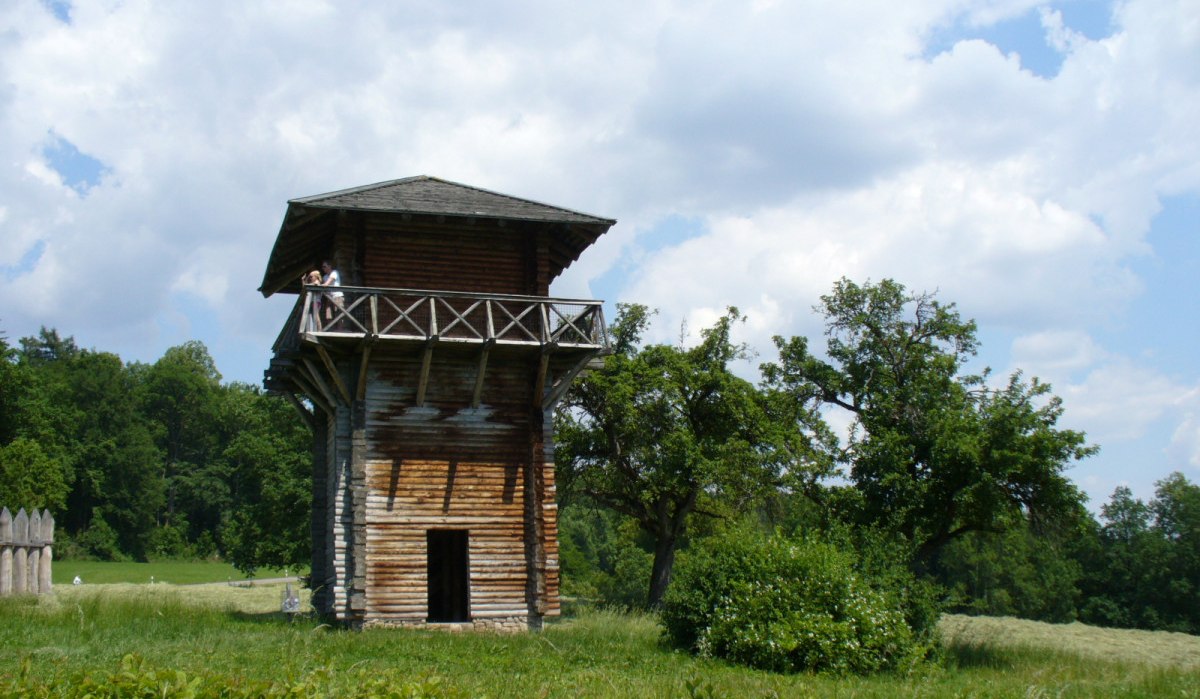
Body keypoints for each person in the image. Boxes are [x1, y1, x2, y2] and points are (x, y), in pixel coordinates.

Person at [321, 260, 345, 328]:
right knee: (329, 315)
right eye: (322, 267)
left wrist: (320, 285)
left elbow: (326, 284)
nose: (323, 268)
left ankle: (340, 331)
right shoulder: (325, 276)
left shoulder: (334, 272)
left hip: (337, 296)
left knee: (339, 314)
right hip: (329, 298)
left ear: (329, 266)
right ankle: (330, 330)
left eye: (324, 266)